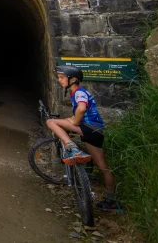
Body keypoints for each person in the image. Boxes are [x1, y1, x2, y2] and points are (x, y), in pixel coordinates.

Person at [46, 65, 120, 212]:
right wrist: (72, 120)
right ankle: (111, 200)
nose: (59, 80)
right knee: (103, 166)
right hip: (96, 131)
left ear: (73, 79)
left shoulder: (79, 92)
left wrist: (73, 122)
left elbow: (81, 109)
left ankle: (71, 146)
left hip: (88, 128)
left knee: (51, 122)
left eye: (62, 78)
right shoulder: (78, 92)